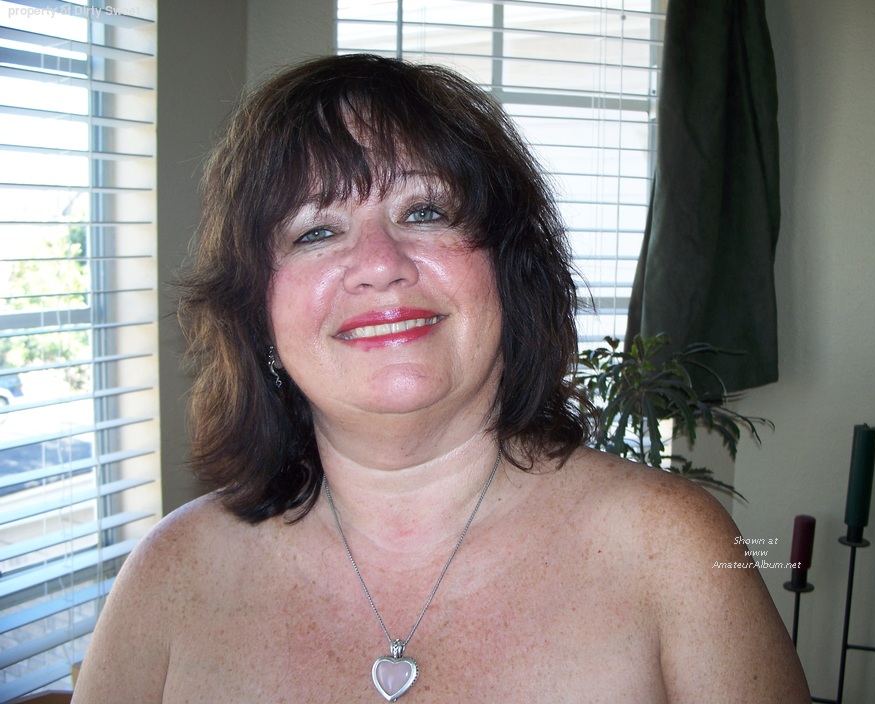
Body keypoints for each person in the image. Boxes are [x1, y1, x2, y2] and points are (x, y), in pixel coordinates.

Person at [73, 53, 810, 703]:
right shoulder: (169, 576)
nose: (379, 263)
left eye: (424, 211)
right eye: (316, 231)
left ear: (509, 274)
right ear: (257, 316)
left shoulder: (674, 549)